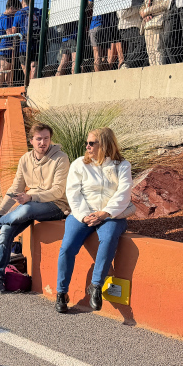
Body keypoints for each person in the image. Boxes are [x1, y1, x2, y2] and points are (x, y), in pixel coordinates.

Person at [0, 123, 70, 294]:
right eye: (39, 139)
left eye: (46, 138)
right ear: (31, 140)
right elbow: (15, 188)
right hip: (31, 204)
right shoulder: (25, 159)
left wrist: (31, 197)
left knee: (26, 210)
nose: (43, 142)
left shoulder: (60, 158)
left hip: (56, 205)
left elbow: (58, 191)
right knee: (6, 230)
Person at [55, 127, 133, 314]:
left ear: (104, 144)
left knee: (108, 238)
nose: (87, 147)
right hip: (83, 213)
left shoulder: (122, 166)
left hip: (111, 215)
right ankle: (61, 292)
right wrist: (84, 215)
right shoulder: (79, 164)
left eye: (91, 143)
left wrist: (105, 213)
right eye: (87, 143)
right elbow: (73, 193)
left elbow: (123, 193)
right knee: (67, 247)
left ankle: (96, 285)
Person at [142, 0, 172, 66]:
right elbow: (142, 7)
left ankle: (159, 72)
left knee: (158, 50)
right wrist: (144, 14)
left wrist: (148, 11)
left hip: (159, 21)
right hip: (147, 24)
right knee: (150, 52)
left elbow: (165, 4)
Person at [10, 0, 42, 81]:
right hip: (37, 42)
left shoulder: (19, 13)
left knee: (24, 65)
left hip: (24, 44)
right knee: (34, 64)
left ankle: (28, 82)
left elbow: (14, 30)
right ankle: (33, 83)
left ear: (22, 2)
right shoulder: (38, 11)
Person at [0, 0, 22, 87]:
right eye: (16, 10)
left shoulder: (7, 17)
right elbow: (9, 32)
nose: (17, 12)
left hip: (10, 47)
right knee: (3, 69)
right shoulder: (6, 18)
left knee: (9, 69)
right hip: (6, 47)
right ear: (11, 8)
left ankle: (9, 87)